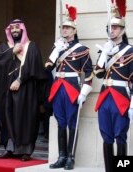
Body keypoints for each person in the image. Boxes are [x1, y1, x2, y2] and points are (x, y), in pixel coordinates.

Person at [45, 5, 93, 170]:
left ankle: (70, 157)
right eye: (63, 27)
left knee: (72, 123)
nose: (64, 30)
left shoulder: (82, 50)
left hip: (72, 89)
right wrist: (56, 51)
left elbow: (89, 73)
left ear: (74, 30)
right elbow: (47, 67)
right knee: (61, 123)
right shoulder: (57, 47)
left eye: (67, 27)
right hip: (58, 88)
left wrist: (84, 93)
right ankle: (61, 156)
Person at [0, 19, 46, 161]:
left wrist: (20, 80)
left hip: (26, 90)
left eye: (18, 28)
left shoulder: (31, 47)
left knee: (25, 119)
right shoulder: (5, 47)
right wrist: (11, 51)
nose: (15, 30)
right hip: (7, 90)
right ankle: (10, 148)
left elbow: (35, 67)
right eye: (12, 28)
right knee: (9, 118)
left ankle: (26, 150)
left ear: (23, 30)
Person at [93, 1, 133, 171]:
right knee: (106, 136)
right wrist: (104, 55)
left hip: (121, 97)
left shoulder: (130, 51)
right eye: (110, 27)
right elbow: (99, 74)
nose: (112, 30)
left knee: (120, 137)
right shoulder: (106, 49)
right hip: (105, 97)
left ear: (123, 30)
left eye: (116, 27)